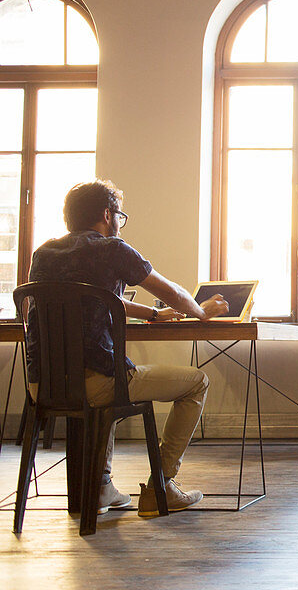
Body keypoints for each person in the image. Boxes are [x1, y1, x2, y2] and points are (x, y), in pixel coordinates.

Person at [26, 180, 230, 516]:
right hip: (95, 382)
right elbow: (176, 295)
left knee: (109, 380)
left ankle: (101, 488)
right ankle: (161, 487)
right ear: (108, 214)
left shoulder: (43, 253)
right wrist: (200, 310)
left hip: (41, 385)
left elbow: (99, 296)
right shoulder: (112, 249)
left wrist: (152, 314)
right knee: (196, 382)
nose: (119, 222)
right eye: (120, 215)